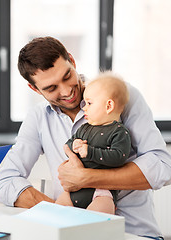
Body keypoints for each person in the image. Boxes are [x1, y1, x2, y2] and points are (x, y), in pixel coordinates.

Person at [0, 36, 171, 239]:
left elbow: (162, 166)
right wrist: (65, 214)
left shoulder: (120, 96)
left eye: (67, 75)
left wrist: (87, 178)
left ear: (72, 60)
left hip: (132, 234)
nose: (67, 91)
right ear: (34, 89)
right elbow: (5, 179)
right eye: (51, 88)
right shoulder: (39, 117)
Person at [55, 72, 131, 214]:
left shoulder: (119, 132)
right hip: (74, 191)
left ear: (109, 106)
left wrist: (89, 152)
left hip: (100, 193)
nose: (84, 107)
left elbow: (119, 157)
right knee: (56, 213)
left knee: (94, 225)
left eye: (89, 103)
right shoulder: (84, 128)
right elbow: (68, 143)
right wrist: (74, 145)